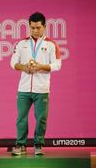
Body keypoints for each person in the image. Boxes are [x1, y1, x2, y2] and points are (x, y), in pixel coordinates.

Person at [10, 12, 62, 155]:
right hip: (24, 88)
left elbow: (57, 65)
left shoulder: (51, 44)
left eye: (38, 28)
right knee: (21, 118)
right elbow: (13, 63)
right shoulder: (22, 43)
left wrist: (41, 67)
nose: (35, 31)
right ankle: (20, 145)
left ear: (44, 27)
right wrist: (24, 67)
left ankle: (38, 144)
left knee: (41, 119)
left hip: (42, 88)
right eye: (32, 28)